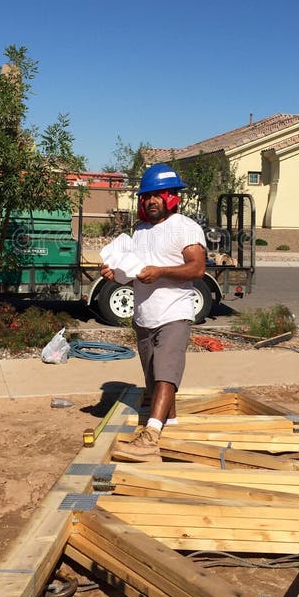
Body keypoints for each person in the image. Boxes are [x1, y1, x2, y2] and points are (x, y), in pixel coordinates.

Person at [100, 164, 206, 462]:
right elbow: (133, 271)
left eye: (158, 195)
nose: (151, 201)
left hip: (175, 312)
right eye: (146, 196)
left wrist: (160, 271)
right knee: (153, 378)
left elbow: (197, 268)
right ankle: (167, 428)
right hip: (144, 315)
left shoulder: (185, 227)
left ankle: (150, 436)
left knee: (166, 373)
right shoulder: (140, 232)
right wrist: (115, 272)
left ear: (172, 196)